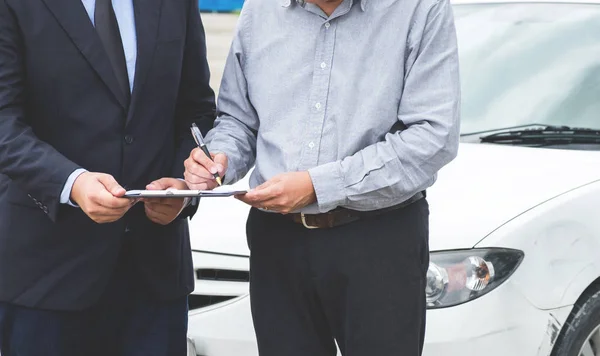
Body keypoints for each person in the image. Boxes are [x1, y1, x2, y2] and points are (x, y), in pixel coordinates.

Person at [184, 0, 460, 355]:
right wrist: (219, 158)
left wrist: (317, 186)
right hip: (277, 240)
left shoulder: (420, 8)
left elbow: (432, 136)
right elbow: (239, 119)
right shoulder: (260, 9)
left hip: (378, 237)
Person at [0, 0, 215, 355]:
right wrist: (71, 182)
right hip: (45, 276)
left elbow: (197, 109)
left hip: (154, 277)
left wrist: (183, 186)